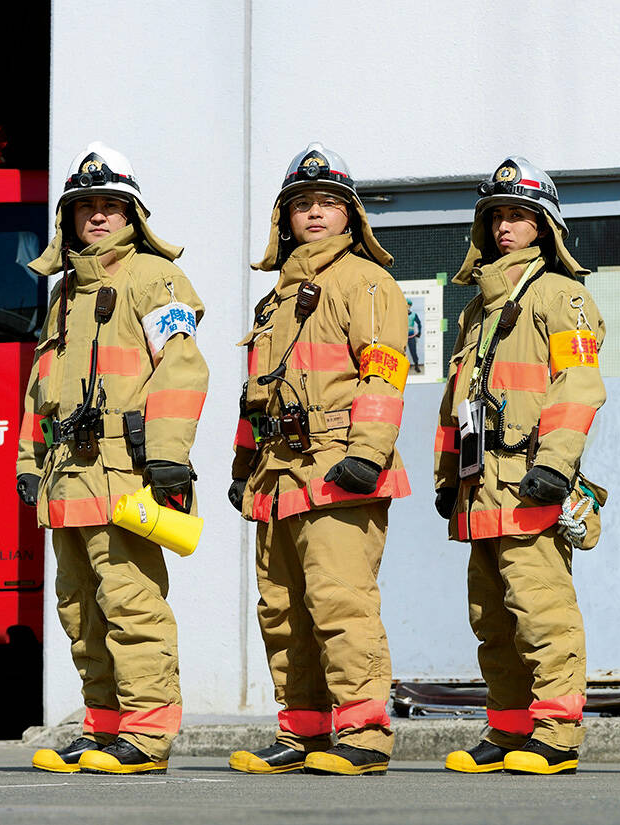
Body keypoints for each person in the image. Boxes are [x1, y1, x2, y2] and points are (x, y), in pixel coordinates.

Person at [17, 142, 208, 775]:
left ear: (132, 215)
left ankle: (147, 734)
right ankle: (102, 728)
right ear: (69, 220)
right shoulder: (66, 293)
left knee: (132, 605)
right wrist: (27, 462)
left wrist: (169, 457)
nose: (97, 217)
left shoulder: (155, 279)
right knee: (81, 613)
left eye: (110, 206)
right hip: (66, 478)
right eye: (85, 208)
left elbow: (181, 368)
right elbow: (42, 387)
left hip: (127, 475)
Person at [227, 142, 409, 777]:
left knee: (341, 604)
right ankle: (302, 731)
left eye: (328, 203)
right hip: (275, 477)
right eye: (300, 204)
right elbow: (256, 395)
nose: (313, 214)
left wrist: (368, 454)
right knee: (282, 611)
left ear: (351, 217)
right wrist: (240, 465)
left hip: (338, 469)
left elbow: (385, 371)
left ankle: (364, 734)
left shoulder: (367, 282)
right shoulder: (273, 301)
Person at [434, 156, 606, 776]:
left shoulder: (563, 296)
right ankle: (508, 730)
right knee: (492, 618)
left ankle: (557, 733)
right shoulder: (477, 307)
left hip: (530, 480)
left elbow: (579, 384)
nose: (506, 226)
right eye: (497, 216)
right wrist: (446, 477)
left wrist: (556, 468)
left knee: (543, 612)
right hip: (479, 488)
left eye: (519, 215)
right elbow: (459, 398)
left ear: (545, 226)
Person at [407, 297, 422, 372]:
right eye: (405, 305)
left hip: (411, 336)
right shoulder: (400, 315)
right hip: (402, 337)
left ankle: (416, 366)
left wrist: (419, 332)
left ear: (410, 306)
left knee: (413, 352)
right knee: (400, 352)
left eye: (408, 305)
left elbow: (419, 323)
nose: (407, 307)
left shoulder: (414, 314)